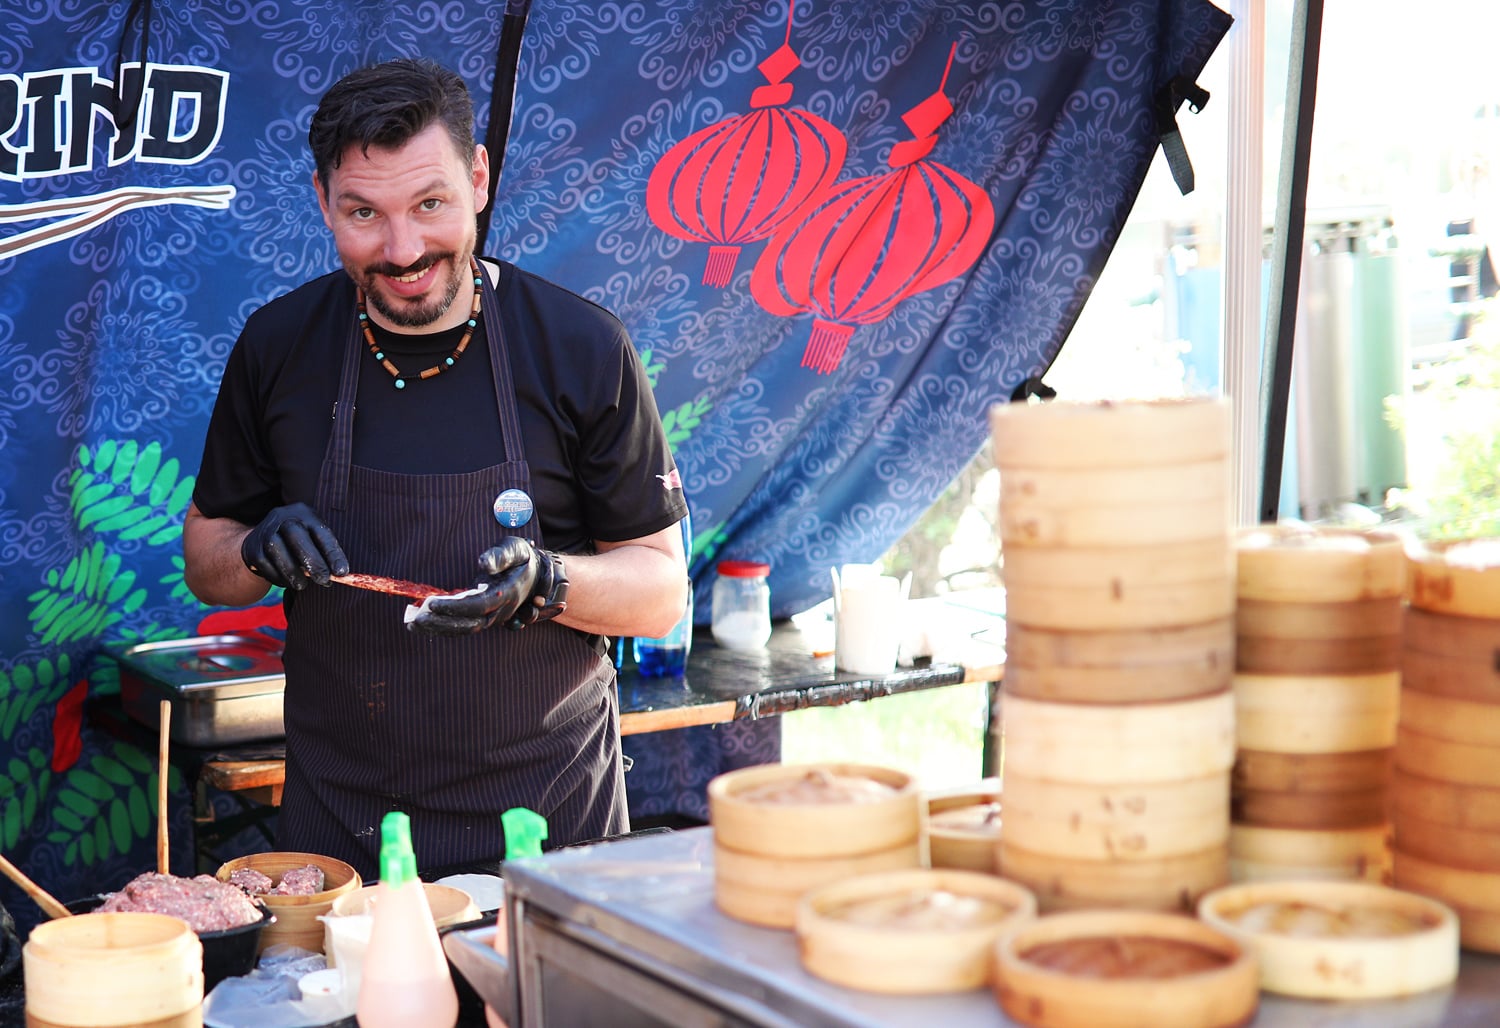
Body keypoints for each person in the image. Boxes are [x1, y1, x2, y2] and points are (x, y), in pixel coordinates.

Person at [183, 57, 688, 877]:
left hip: (549, 821)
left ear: (479, 177)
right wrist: (252, 551)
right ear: (323, 202)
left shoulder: (582, 348)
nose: (403, 248)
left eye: (430, 203)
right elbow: (208, 557)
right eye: (363, 213)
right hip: (341, 825)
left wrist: (550, 582)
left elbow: (660, 589)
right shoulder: (279, 347)